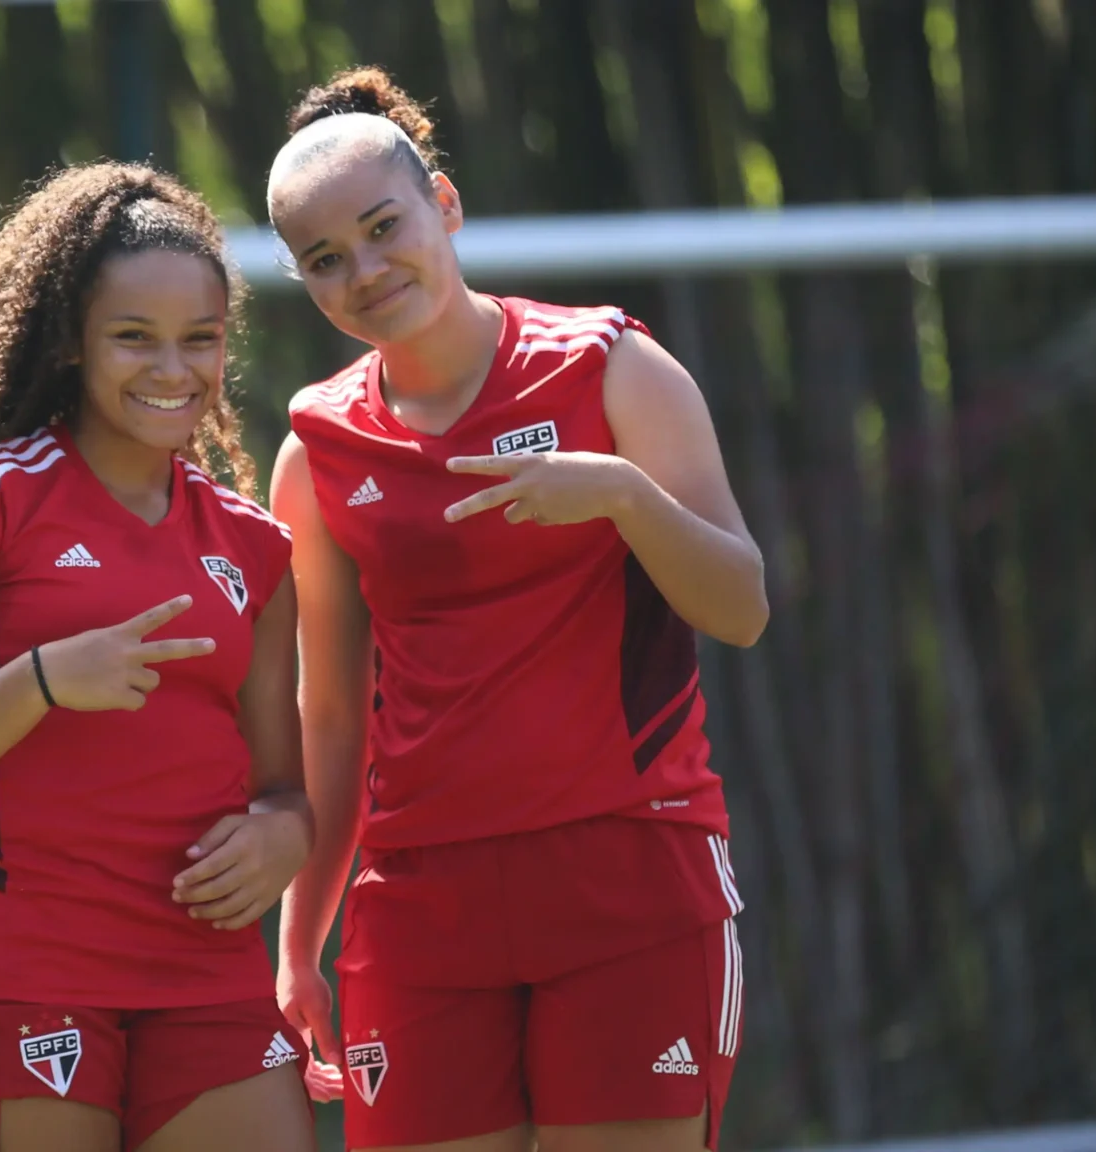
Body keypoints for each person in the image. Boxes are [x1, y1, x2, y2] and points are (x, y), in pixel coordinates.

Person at [264, 68, 769, 1152]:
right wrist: (299, 932)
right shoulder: (315, 452)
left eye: (381, 226)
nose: (362, 270)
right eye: (322, 260)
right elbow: (330, 719)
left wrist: (621, 496)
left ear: (442, 205)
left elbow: (741, 607)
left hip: (630, 880)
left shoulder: (612, 367)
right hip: (419, 908)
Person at [0, 162, 318, 1152]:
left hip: (202, 972)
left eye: (199, 340)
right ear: (70, 343)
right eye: (132, 338)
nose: (170, 369)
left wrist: (284, 835)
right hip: (21, 974)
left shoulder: (252, 545)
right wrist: (43, 681)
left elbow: (283, 788)